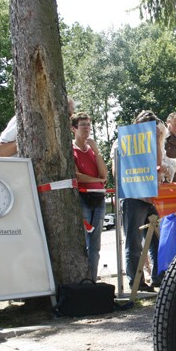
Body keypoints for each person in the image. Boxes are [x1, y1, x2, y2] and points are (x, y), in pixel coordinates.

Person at [112, 110, 163, 292]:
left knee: (158, 239)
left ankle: (159, 277)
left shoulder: (154, 142)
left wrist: (156, 141)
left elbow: (157, 165)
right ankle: (136, 282)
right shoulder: (122, 141)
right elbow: (116, 172)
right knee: (134, 241)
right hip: (133, 196)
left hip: (151, 197)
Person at [71, 113, 107, 282]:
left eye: (88, 125)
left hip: (99, 198)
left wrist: (97, 151)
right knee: (84, 242)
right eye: (82, 125)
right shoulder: (71, 149)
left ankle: (92, 279)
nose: (86, 128)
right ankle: (82, 280)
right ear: (74, 128)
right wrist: (97, 180)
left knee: (95, 245)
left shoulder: (93, 150)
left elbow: (104, 174)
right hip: (83, 198)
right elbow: (77, 176)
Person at [0, 97, 75, 157]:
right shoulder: (24, 119)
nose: (66, 119)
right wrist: (28, 140)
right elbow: (0, 152)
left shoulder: (62, 134)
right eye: (65, 113)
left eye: (69, 115)